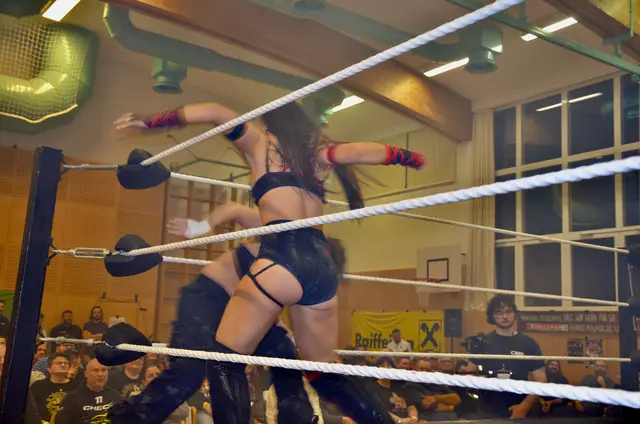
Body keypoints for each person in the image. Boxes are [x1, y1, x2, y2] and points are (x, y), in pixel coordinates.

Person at [114, 101, 424, 423]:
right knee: (322, 374)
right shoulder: (317, 155)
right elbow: (358, 151)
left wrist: (150, 120)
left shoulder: (260, 144)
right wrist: (407, 157)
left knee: (225, 361)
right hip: (322, 264)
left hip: (282, 257)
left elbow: (216, 112)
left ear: (270, 123)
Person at [109, 201, 345, 424]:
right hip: (207, 299)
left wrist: (289, 335)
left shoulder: (302, 278)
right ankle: (130, 418)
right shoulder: (286, 233)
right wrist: (199, 226)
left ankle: (297, 418)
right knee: (189, 372)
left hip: (245, 311)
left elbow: (270, 306)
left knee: (282, 354)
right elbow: (235, 209)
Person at [466, 295, 546, 419]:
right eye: (499, 312)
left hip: (518, 408)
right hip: (487, 410)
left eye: (509, 311)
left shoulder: (529, 343)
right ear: (492, 316)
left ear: (515, 314)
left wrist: (524, 407)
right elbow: (469, 374)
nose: (505, 316)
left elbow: (541, 380)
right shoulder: (482, 342)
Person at [55, 358, 123, 423]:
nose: (100, 374)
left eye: (103, 370)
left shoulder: (116, 396)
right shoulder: (72, 398)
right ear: (86, 373)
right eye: (95, 370)